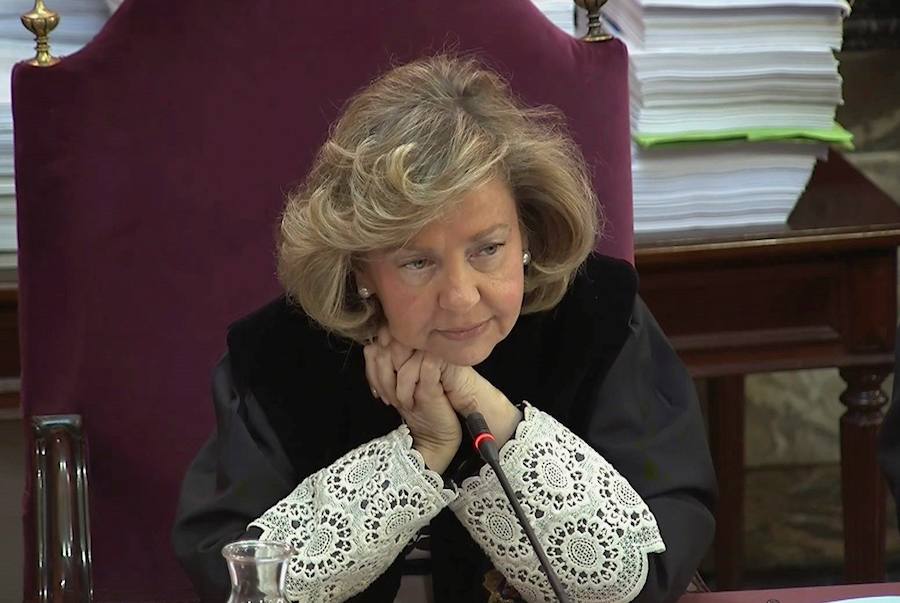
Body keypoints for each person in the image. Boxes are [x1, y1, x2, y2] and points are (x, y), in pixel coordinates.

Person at [172, 55, 716, 603]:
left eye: (488, 249)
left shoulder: (598, 319)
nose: (460, 297)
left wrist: (488, 411)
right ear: (361, 270)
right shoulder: (281, 355)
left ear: (527, 234)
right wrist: (421, 453)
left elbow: (648, 568)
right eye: (417, 262)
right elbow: (238, 577)